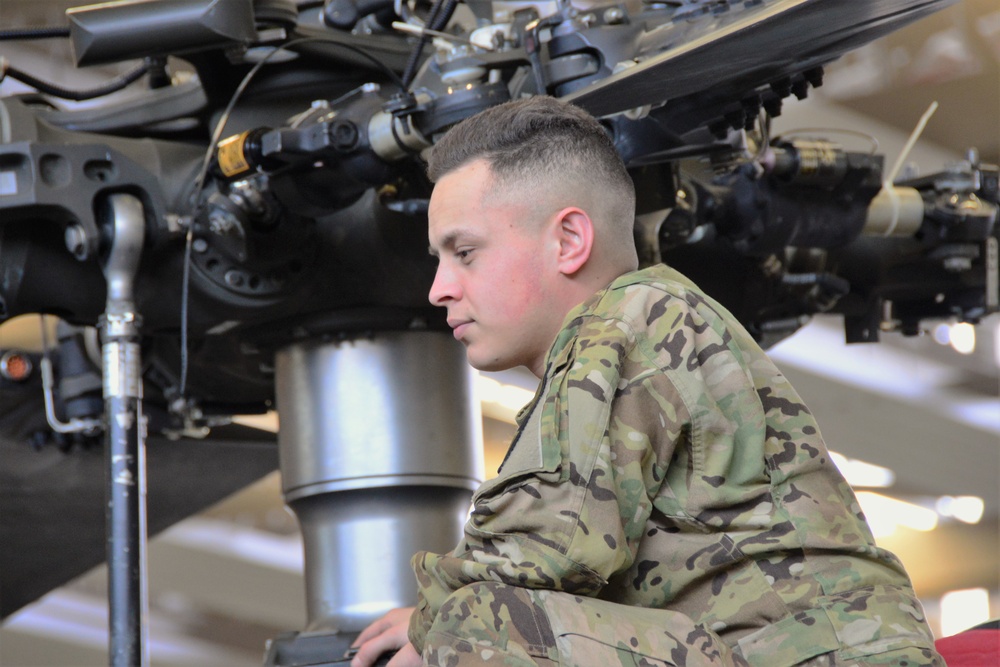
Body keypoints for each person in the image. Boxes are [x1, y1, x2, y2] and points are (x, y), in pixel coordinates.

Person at [350, 96, 943, 667]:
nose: (439, 289)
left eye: (465, 252)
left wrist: (434, 619)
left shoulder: (631, 319)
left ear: (568, 240)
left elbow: (543, 544)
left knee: (484, 621)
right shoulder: (632, 328)